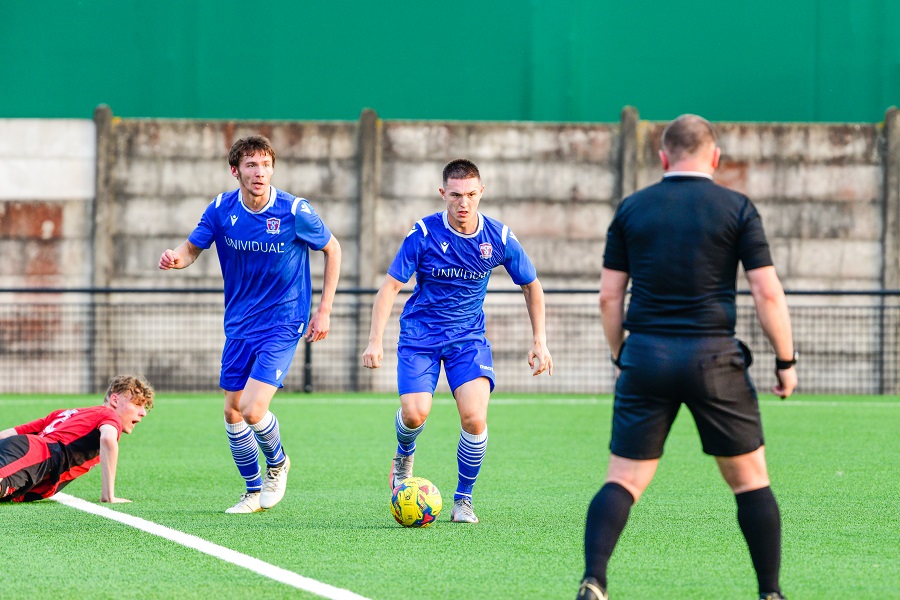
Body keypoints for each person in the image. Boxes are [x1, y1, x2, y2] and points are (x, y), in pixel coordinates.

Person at [577, 115, 797, 600]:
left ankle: (594, 580)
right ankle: (771, 593)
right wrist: (786, 360)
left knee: (624, 479)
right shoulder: (736, 207)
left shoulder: (632, 209)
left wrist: (622, 354)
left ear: (663, 157)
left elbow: (608, 298)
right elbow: (767, 293)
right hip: (713, 357)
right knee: (750, 481)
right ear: (715, 157)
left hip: (647, 356)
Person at [362, 158, 553, 524]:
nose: (463, 203)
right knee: (416, 413)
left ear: (481, 192)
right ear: (442, 194)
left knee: (474, 419)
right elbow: (390, 287)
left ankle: (463, 500)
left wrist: (539, 341)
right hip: (420, 338)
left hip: (468, 340)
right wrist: (375, 341)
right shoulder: (423, 234)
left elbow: (532, 285)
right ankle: (404, 454)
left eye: (470, 195)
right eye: (455, 195)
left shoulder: (498, 238)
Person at [159, 135, 342, 514]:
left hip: (284, 319)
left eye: (265, 165)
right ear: (235, 171)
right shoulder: (221, 209)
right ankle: (252, 489)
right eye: (251, 165)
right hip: (240, 323)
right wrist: (175, 259)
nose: (260, 173)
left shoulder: (294, 210)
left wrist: (323, 310)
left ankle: (278, 464)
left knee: (254, 409)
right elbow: (191, 249)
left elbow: (332, 249)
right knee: (232, 412)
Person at [0, 374, 154, 503]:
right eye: (137, 404)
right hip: (37, 455)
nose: (143, 413)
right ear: (115, 400)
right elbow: (108, 440)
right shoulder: (109, 415)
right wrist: (108, 496)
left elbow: (5, 436)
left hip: (28, 454)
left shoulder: (67, 414)